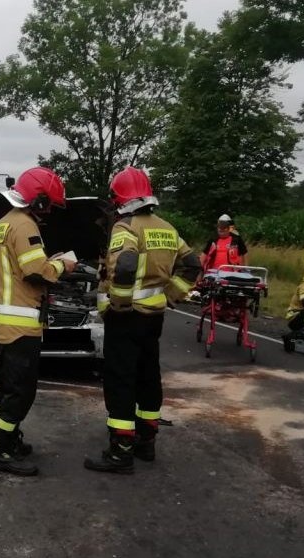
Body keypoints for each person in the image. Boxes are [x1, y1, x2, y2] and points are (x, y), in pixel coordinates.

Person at [85, 167, 200, 475]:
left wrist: (119, 304)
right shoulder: (167, 228)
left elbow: (124, 266)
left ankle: (120, 451)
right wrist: (170, 295)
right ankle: (145, 441)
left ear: (120, 198)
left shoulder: (126, 227)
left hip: (128, 318)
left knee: (121, 380)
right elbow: (192, 264)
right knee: (148, 376)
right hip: (154, 316)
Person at [0, 166, 76, 476]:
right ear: (37, 200)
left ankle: (6, 440)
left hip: (5, 323)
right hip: (22, 324)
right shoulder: (25, 226)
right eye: (48, 203)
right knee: (21, 391)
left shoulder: (1, 223)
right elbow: (37, 272)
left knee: (6, 388)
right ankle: (3, 451)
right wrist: (64, 265)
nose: (49, 210)